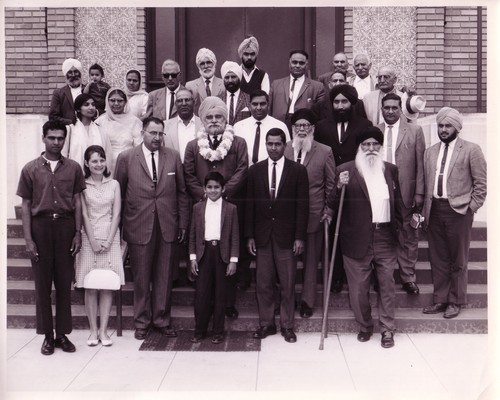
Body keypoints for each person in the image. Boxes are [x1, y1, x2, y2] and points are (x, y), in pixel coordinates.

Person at [114, 117, 190, 340]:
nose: (157, 138)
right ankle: (142, 322)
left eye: (160, 134)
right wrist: (120, 227)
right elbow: (119, 192)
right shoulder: (126, 158)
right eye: (152, 133)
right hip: (138, 225)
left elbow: (182, 193)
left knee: (165, 276)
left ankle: (161, 320)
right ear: (142, 133)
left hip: (167, 225)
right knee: (141, 277)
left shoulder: (173, 156)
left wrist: (182, 223)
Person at [327, 127, 403, 348]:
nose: (371, 149)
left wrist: (401, 230)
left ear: (380, 147)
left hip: (385, 237)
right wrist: (339, 185)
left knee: (387, 285)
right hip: (356, 238)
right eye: (366, 145)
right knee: (359, 289)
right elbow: (331, 203)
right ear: (359, 148)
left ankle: (387, 330)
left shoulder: (390, 170)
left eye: (375, 145)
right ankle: (365, 325)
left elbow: (397, 202)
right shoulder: (346, 170)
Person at [17, 120, 86, 355]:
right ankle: (47, 335)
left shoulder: (74, 168)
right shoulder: (30, 168)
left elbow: (77, 202)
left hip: (66, 227)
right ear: (43, 138)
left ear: (65, 140)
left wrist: (77, 233)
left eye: (60, 138)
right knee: (43, 285)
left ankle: (62, 334)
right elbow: (25, 205)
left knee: (64, 283)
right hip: (40, 228)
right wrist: (28, 239)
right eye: (52, 138)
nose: (56, 142)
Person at [183, 96, 248, 319]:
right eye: (209, 117)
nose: (213, 120)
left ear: (225, 119)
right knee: (203, 258)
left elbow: (241, 170)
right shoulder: (193, 146)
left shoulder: (238, 143)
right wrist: (205, 195)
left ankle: (227, 304)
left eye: (218, 116)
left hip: (230, 207)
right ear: (202, 120)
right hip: (202, 208)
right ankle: (205, 302)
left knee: (227, 256)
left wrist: (223, 193)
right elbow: (189, 175)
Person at [246, 128, 309, 343]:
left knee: (288, 282)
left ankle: (287, 326)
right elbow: (250, 206)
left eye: (278, 144)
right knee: (263, 282)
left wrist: (299, 236)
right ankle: (266, 324)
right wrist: (250, 236)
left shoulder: (297, 171)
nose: (273, 148)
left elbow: (303, 206)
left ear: (285, 145)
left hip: (287, 237)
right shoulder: (255, 171)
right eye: (270, 144)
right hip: (262, 236)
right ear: (265, 145)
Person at [422, 107, 486, 319]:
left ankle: (455, 300)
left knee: (458, 259)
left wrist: (471, 208)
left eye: (448, 125)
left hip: (459, 211)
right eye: (441, 125)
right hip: (435, 210)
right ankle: (440, 299)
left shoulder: (471, 149)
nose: (443, 129)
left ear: (457, 127)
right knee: (437, 257)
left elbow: (481, 184)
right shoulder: (430, 152)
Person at [314, 84, 373, 293]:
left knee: (354, 229)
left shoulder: (365, 125)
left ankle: (360, 275)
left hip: (356, 187)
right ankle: (336, 276)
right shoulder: (321, 126)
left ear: (352, 103)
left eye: (344, 102)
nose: (340, 106)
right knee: (333, 231)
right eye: (336, 102)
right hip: (331, 187)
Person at [284, 109, 335, 318]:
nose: (302, 129)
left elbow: (331, 185)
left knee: (311, 261)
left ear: (312, 129)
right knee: (287, 260)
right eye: (298, 126)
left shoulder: (324, 151)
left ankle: (307, 301)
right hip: (286, 216)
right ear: (292, 129)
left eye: (306, 126)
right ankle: (287, 300)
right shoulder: (284, 149)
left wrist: (328, 209)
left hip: (315, 214)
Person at [75, 145, 125, 347]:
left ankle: (104, 331)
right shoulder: (82, 185)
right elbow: (84, 214)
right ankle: (92, 331)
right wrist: (94, 241)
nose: (99, 164)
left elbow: (117, 213)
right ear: (86, 163)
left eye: (102, 160)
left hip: (110, 238)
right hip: (89, 239)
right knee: (90, 285)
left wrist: (109, 239)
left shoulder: (114, 184)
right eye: (94, 161)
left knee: (106, 285)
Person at [377, 93, 425, 295]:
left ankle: (408, 277)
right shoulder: (375, 131)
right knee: (381, 235)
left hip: (406, 191)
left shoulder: (414, 131)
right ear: (381, 109)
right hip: (380, 192)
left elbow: (421, 165)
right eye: (386, 108)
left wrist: (419, 193)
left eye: (394, 108)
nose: (390, 111)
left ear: (400, 109)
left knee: (408, 235)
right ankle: (380, 278)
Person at [189, 172, 239, 344]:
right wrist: (193, 257)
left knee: (220, 294)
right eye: (209, 187)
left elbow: (235, 236)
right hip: (204, 254)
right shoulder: (197, 207)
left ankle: (218, 331)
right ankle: (199, 330)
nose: (213, 190)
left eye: (216, 187)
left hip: (222, 254)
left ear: (223, 188)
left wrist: (233, 260)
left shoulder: (231, 209)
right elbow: (193, 235)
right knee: (202, 294)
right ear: (204, 189)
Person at [269, 50, 325, 128]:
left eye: (301, 63)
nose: (297, 65)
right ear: (289, 63)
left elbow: (320, 114)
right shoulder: (276, 84)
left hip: (303, 128)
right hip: (278, 126)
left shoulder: (317, 87)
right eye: (294, 62)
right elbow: (269, 109)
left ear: (306, 65)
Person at [95, 87, 142, 174]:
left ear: (125, 102)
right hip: (105, 165)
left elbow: (139, 146)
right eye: (112, 100)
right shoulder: (100, 121)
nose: (116, 103)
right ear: (107, 101)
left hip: (129, 163)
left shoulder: (134, 121)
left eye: (120, 101)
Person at [62, 93, 112, 169]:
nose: (91, 107)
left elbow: (107, 155)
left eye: (93, 104)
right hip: (74, 175)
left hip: (97, 176)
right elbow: (63, 155)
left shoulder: (101, 130)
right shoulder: (69, 130)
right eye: (86, 104)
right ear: (78, 109)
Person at [163, 88, 202, 163]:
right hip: (174, 170)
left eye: (187, 100)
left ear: (194, 102)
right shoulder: (165, 126)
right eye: (180, 100)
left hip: (198, 171)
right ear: (175, 104)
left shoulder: (203, 124)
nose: (184, 103)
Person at [185, 48, 225, 116]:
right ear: (198, 66)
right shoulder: (190, 86)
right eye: (202, 64)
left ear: (214, 64)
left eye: (209, 62)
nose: (206, 66)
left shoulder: (223, 84)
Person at [49, 58, 85, 125]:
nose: (73, 75)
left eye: (76, 71)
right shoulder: (58, 93)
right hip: (68, 130)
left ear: (80, 73)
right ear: (66, 75)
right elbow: (53, 117)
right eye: (70, 72)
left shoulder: (88, 89)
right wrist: (71, 123)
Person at [220, 61, 251, 126]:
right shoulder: (218, 100)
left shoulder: (249, 99)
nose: (230, 80)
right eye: (227, 77)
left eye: (233, 77)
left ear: (239, 78)